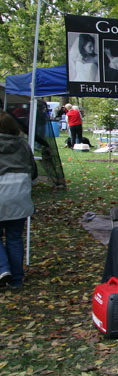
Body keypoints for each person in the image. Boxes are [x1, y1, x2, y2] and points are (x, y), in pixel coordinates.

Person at [0, 110, 36, 290]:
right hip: (19, 196)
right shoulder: (23, 145)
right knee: (15, 238)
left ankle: (3, 268)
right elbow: (34, 172)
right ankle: (16, 279)